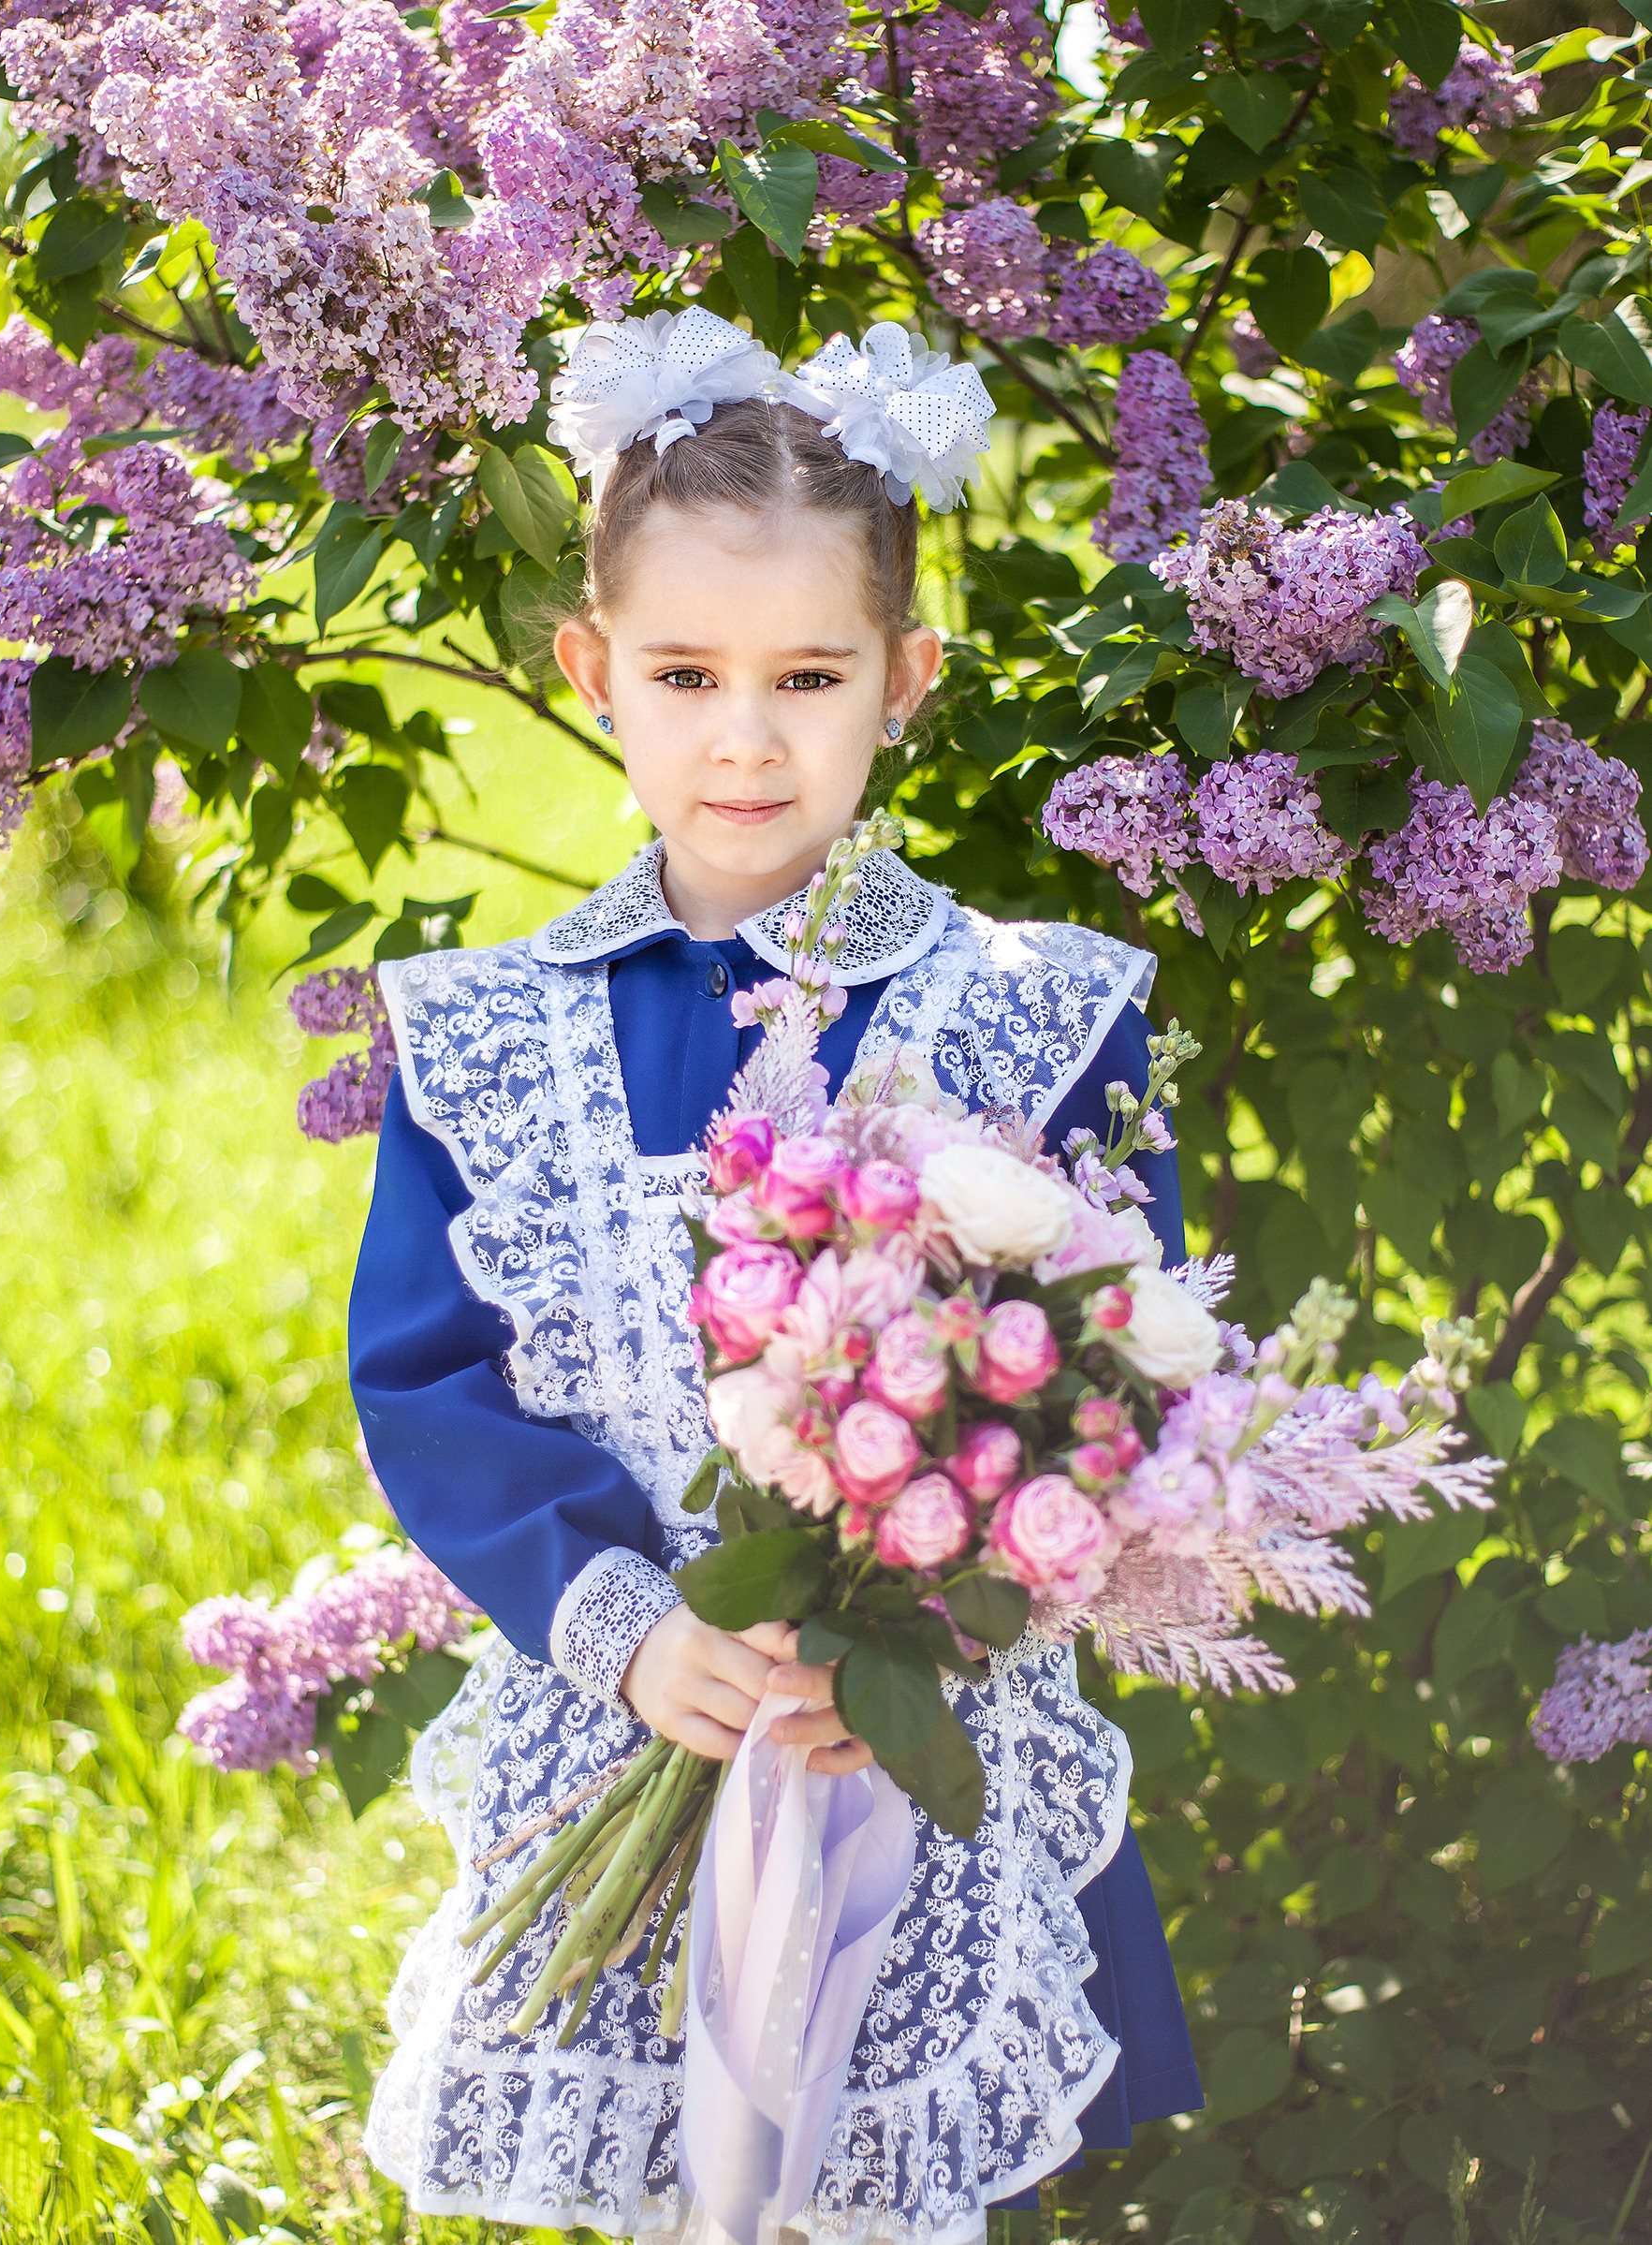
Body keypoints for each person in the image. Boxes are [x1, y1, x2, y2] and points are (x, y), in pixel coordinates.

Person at [349, 309, 1201, 2239]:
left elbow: (1125, 1356)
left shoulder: (1027, 1010)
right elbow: (427, 1376)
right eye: (687, 673)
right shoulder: (492, 1032)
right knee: (672, 2165)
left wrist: (935, 1611)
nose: (746, 732)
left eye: (806, 674)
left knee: (897, 2175)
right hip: (643, 1696)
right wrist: (636, 1629)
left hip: (918, 1719)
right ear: (595, 672)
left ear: (903, 679)